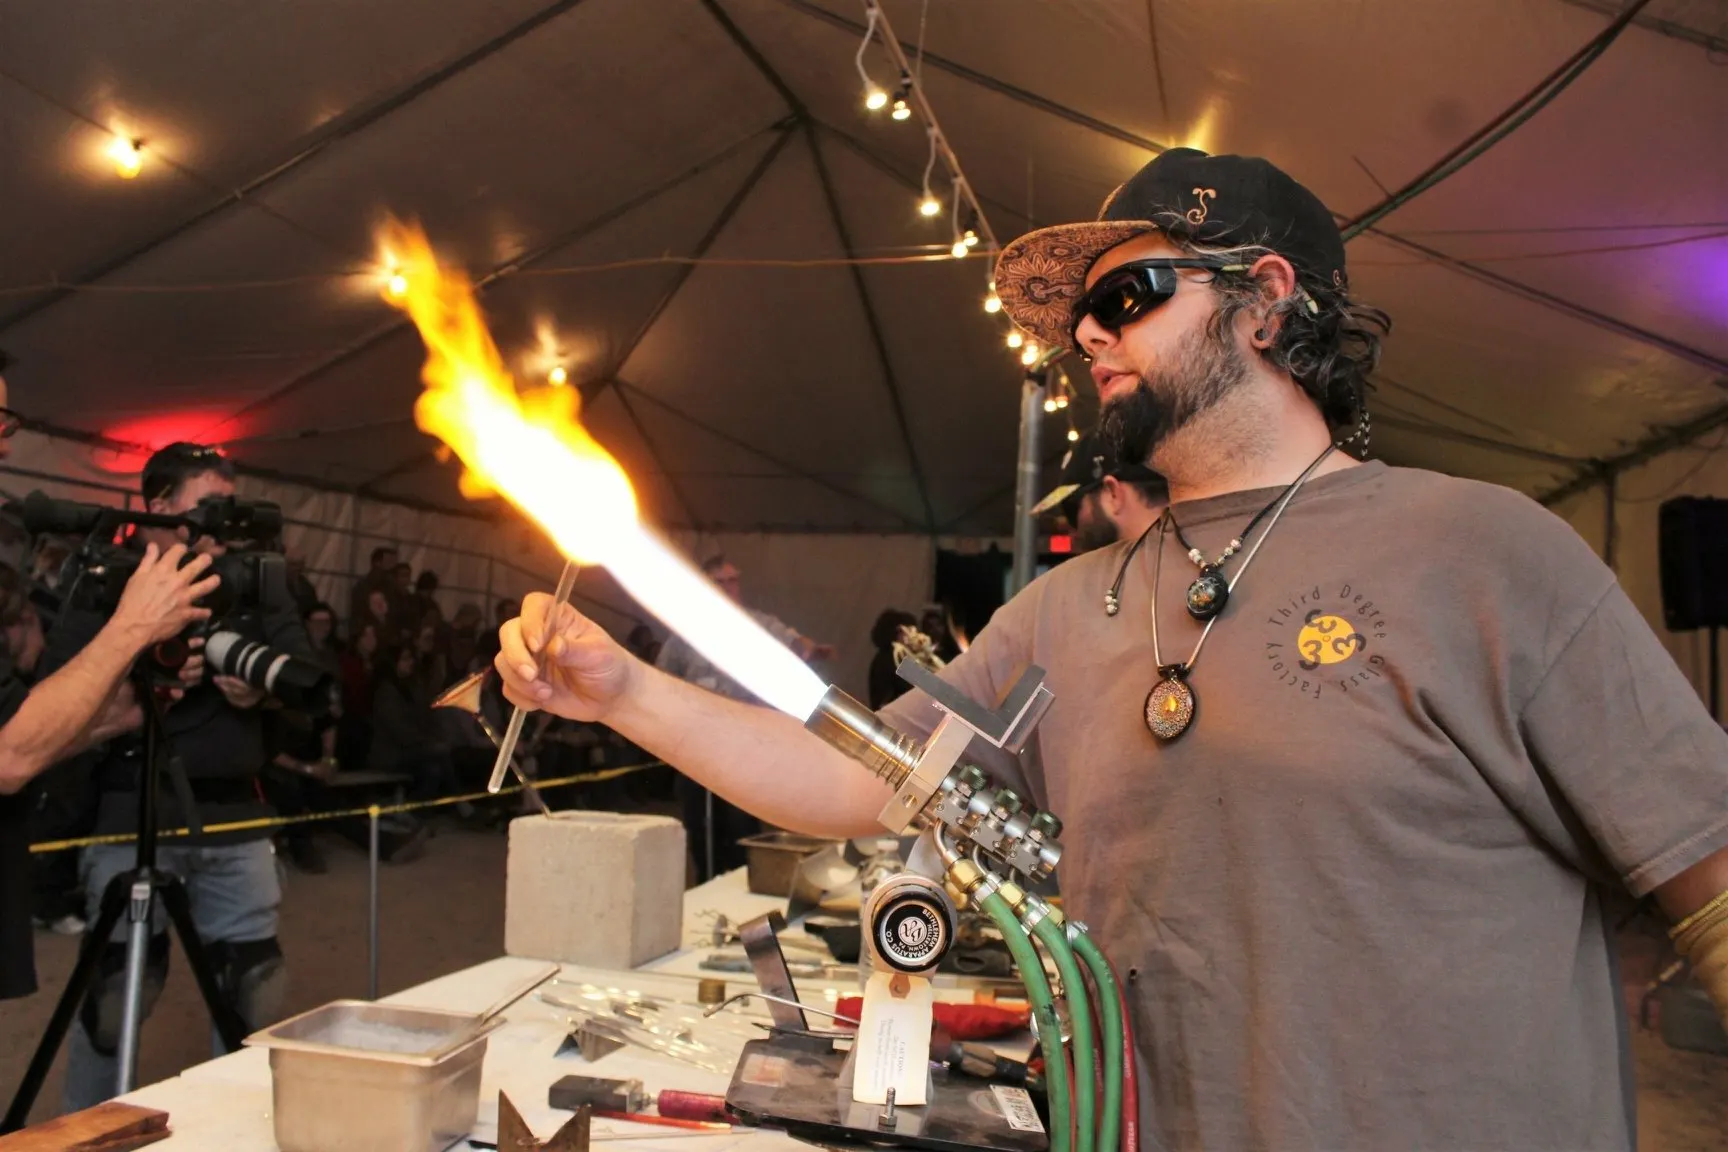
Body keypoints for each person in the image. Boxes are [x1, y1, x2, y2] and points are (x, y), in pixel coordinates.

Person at [497, 148, 1728, 1151]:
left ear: (1264, 299)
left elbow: (1709, 876)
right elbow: (850, 783)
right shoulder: (1065, 611)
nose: (1087, 334)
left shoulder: (1480, 551)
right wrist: (625, 691)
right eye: (1079, 314)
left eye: (1126, 296)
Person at [45, 441, 318, 1111]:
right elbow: (54, 693)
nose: (223, 522)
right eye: (208, 506)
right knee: (114, 1004)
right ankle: (87, 1133)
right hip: (131, 809)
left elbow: (311, 679)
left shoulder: (253, 577)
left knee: (255, 995)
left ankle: (240, 1132)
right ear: (159, 507)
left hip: (237, 819)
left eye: (230, 505)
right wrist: (144, 678)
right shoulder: (112, 576)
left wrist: (262, 694)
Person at [654, 555, 833, 881]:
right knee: (700, 825)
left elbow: (792, 640)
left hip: (744, 743)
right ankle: (709, 884)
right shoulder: (685, 630)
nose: (728, 587)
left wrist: (807, 648)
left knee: (741, 822)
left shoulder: (758, 624)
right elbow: (663, 676)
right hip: (697, 744)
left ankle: (740, 884)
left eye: (733, 580)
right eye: (719, 582)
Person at [1032, 432, 1167, 553]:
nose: (1072, 530)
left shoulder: (1114, 577)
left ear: (1113, 494)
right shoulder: (1181, 563)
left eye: (1073, 510)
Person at [347, 546, 397, 634]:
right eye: (389, 562)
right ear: (377, 563)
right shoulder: (362, 588)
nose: (392, 566)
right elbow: (358, 617)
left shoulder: (392, 588)